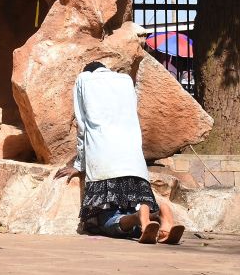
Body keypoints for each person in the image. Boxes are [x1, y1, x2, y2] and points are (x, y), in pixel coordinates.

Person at [58, 62, 184, 245]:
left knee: (105, 221)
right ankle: (160, 217)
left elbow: (82, 127)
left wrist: (78, 165)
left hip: (104, 162)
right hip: (134, 163)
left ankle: (137, 218)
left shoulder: (84, 80)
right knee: (137, 211)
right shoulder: (125, 81)